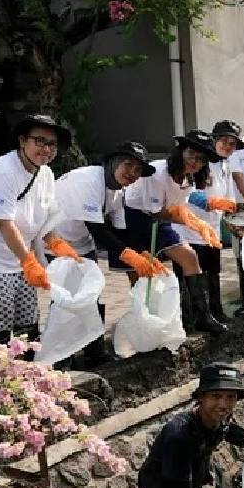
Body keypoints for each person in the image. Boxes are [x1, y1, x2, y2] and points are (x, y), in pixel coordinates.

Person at [0, 114, 76, 348]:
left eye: (51, 144)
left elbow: (45, 218)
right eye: (39, 141)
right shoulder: (3, 171)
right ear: (22, 141)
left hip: (19, 256)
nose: (46, 149)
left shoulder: (45, 174)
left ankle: (32, 379)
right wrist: (29, 261)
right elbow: (3, 222)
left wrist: (59, 246)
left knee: (28, 326)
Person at [47, 140, 160, 366]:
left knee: (92, 292)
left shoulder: (117, 190)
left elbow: (120, 229)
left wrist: (144, 253)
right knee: (67, 297)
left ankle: (94, 351)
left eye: (138, 170)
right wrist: (130, 257)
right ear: (111, 162)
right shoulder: (90, 180)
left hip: (81, 241)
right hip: (55, 240)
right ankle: (61, 355)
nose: (133, 173)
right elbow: (99, 231)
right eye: (128, 165)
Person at [122, 129, 228, 334]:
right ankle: (145, 324)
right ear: (180, 151)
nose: (194, 162)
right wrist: (195, 224)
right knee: (142, 275)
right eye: (191, 155)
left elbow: (178, 208)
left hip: (159, 220)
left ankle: (202, 315)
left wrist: (199, 225)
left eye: (201, 159)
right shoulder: (157, 173)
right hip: (132, 220)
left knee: (190, 258)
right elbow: (159, 211)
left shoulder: (189, 180)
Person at [177, 120, 242, 327]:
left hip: (212, 229)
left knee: (213, 272)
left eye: (232, 144)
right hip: (190, 228)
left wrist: (232, 216)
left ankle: (215, 311)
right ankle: (190, 318)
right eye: (224, 141)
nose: (228, 147)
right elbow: (185, 189)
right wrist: (206, 202)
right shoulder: (199, 161)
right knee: (191, 274)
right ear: (214, 139)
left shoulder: (225, 165)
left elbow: (228, 196)